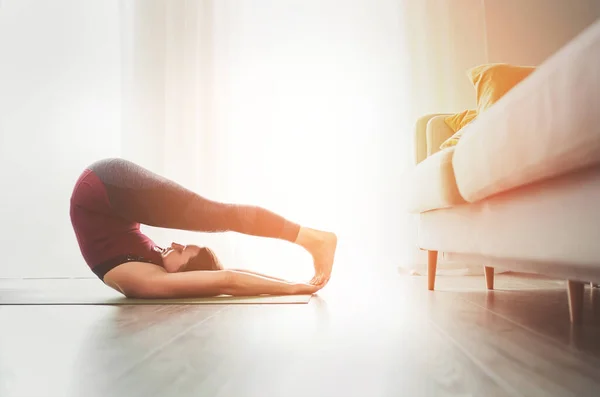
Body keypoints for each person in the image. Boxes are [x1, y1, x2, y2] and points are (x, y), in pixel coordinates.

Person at [69, 158, 337, 299]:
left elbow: (225, 280)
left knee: (218, 216)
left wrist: (293, 287)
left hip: (103, 190)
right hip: (108, 189)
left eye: (182, 251)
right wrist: (291, 284)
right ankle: (312, 239)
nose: (174, 244)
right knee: (216, 216)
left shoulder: (145, 283)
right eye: (182, 248)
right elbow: (227, 277)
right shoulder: (157, 273)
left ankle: (313, 239)